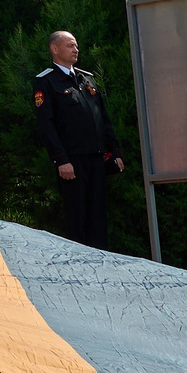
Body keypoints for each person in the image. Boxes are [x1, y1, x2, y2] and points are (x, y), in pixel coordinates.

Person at [32, 30, 123, 249]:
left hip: (96, 159)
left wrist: (114, 152)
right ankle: (79, 261)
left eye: (76, 45)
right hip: (72, 161)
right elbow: (47, 124)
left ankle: (100, 259)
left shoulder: (86, 78)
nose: (76, 49)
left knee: (98, 216)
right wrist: (61, 159)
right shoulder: (47, 81)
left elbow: (103, 118)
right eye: (70, 45)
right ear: (55, 49)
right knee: (77, 216)